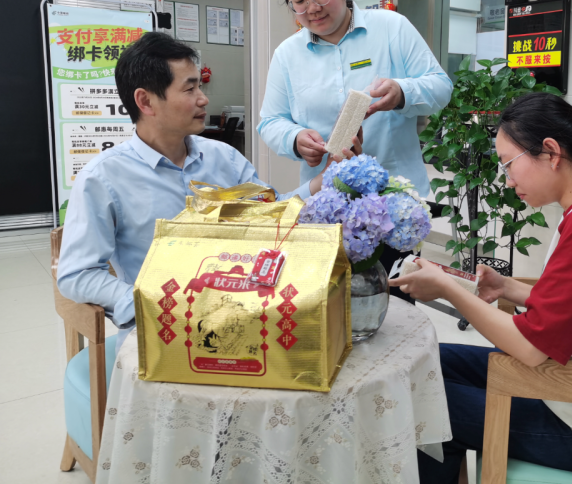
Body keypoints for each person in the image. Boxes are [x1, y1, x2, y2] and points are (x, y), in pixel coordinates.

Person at [392, 93, 572, 482]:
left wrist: (447, 288)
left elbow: (530, 348)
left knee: (421, 400)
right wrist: (507, 287)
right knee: (425, 364)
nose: (508, 181)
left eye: (509, 165)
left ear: (551, 152)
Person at [57, 32, 359, 353]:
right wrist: (143, 302)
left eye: (199, 86)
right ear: (145, 101)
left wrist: (323, 181)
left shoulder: (224, 158)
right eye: (190, 89)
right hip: (161, 335)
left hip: (239, 316)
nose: (203, 99)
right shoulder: (103, 178)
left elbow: (269, 214)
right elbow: (78, 274)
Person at [258, 0, 453, 296]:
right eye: (298, 1)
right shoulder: (287, 55)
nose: (312, 8)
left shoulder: (391, 28)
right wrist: (296, 140)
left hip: (394, 206)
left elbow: (440, 87)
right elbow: (270, 121)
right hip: (327, 209)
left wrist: (402, 93)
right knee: (329, 304)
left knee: (395, 307)